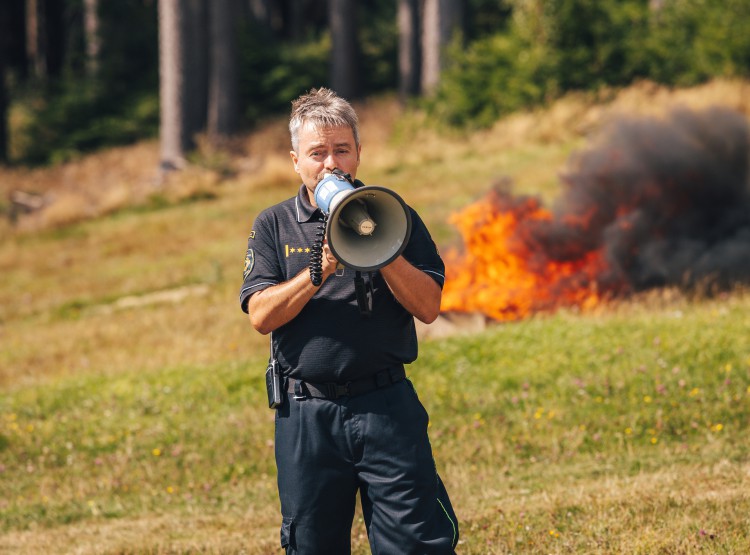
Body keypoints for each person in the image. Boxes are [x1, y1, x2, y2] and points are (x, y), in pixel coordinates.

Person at [239, 87, 459, 554]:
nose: (331, 164)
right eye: (318, 153)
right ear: (296, 159)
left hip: (386, 406)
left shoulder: (393, 212)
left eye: (342, 150)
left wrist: (378, 248)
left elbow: (428, 306)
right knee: (312, 544)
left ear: (359, 152)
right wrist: (319, 270)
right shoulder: (274, 224)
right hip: (307, 414)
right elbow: (260, 315)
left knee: (416, 541)